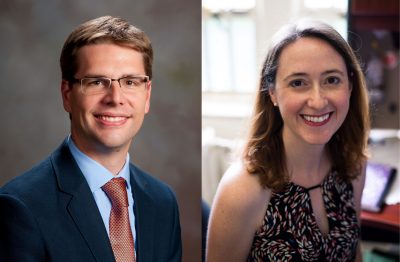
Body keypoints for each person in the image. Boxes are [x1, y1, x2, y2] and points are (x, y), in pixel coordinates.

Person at [0, 16, 182, 262]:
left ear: (147, 94)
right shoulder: (20, 206)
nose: (115, 98)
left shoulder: (163, 202)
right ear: (67, 94)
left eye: (130, 82)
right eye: (97, 81)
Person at [206, 20, 370, 262]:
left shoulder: (353, 165)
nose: (317, 101)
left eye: (332, 80)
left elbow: (352, 254)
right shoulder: (242, 189)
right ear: (272, 93)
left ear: (350, 86)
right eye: (298, 83)